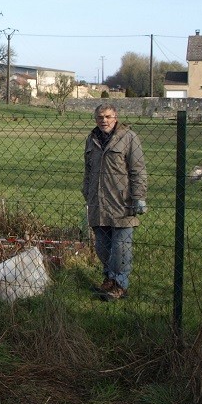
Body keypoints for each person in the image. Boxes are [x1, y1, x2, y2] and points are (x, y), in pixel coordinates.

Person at [82, 102, 147, 301]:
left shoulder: (129, 138)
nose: (104, 120)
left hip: (122, 202)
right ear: (96, 119)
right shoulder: (91, 140)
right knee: (102, 247)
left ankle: (120, 284)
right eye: (100, 117)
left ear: (116, 117)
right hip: (98, 203)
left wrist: (139, 197)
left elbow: (138, 170)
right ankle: (108, 280)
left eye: (108, 117)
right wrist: (86, 192)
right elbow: (88, 170)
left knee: (121, 247)